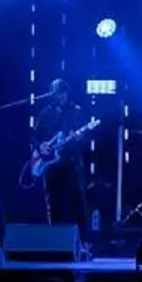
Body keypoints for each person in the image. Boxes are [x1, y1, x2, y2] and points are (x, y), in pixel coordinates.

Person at [33, 79, 91, 232]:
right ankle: (54, 237)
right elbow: (35, 136)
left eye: (62, 93)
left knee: (78, 200)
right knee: (52, 201)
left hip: (71, 161)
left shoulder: (77, 111)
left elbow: (87, 137)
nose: (60, 97)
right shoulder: (46, 113)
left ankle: (84, 239)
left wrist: (79, 137)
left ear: (67, 93)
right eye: (56, 94)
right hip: (50, 164)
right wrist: (40, 145)